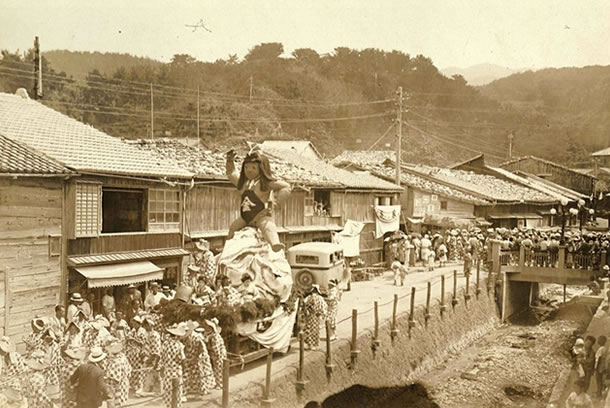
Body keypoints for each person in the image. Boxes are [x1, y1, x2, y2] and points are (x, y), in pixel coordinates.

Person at [226, 147, 291, 252]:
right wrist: (229, 161)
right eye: (246, 167)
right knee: (233, 227)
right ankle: (228, 246)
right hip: (245, 218)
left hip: (261, 216)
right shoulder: (244, 184)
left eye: (253, 167)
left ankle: (275, 244)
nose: (249, 170)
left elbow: (286, 186)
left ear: (262, 169)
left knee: (268, 227)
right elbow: (231, 174)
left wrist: (276, 203)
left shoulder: (265, 184)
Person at [160, 324, 187, 408]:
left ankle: (168, 406)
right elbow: (183, 359)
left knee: (168, 390)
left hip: (167, 370)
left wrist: (162, 368)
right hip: (176, 370)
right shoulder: (179, 345)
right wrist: (185, 371)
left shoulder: (165, 344)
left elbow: (162, 357)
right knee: (177, 391)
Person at [302, 285, 328, 351]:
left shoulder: (309, 297)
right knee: (314, 330)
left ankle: (309, 345)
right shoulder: (319, 298)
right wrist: (322, 314)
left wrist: (306, 311)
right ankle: (313, 345)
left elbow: (304, 304)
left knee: (309, 329)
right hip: (316, 316)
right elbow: (324, 306)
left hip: (310, 315)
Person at [203, 318, 227, 390]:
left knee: (219, 369)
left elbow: (216, 349)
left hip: (218, 355)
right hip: (216, 354)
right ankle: (219, 383)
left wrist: (211, 351)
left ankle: (220, 384)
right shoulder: (212, 335)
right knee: (217, 369)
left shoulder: (215, 337)